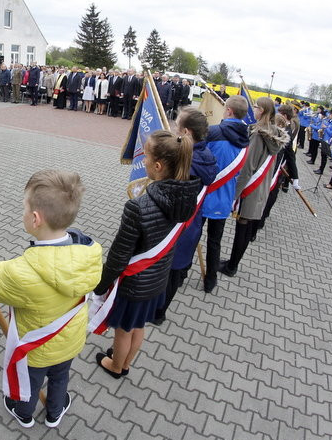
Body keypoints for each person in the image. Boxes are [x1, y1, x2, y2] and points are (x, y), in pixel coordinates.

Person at [0, 170, 102, 428]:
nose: (22, 212)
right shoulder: (88, 253)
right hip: (70, 340)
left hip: (35, 349)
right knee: (60, 375)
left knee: (31, 381)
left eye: (24, 207)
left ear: (35, 219)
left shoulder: (21, 273)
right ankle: (55, 412)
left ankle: (23, 412)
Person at [93, 130, 201, 378]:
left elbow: (118, 257)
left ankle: (116, 366)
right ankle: (128, 362)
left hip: (134, 284)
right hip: (157, 279)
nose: (143, 161)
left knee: (123, 329)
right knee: (139, 326)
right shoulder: (187, 197)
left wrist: (101, 286)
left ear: (159, 166)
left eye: (146, 157)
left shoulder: (138, 207)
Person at [154, 108, 216, 324]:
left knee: (163, 270)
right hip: (192, 225)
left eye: (177, 125)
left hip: (174, 225)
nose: (173, 129)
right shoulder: (207, 156)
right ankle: (160, 313)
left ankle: (153, 311)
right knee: (175, 272)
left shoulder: (184, 160)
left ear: (187, 132)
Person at [219, 97, 289, 276]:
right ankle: (233, 262)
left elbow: (248, 167)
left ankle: (232, 266)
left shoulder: (259, 135)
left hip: (251, 187)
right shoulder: (273, 132)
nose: (253, 109)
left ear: (263, 111)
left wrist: (234, 194)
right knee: (247, 226)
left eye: (256, 107)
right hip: (261, 187)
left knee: (242, 226)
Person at [200, 96, 250, 293]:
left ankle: (180, 275)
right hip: (225, 198)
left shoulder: (213, 131)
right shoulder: (246, 138)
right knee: (215, 242)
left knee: (192, 237)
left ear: (228, 110)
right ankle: (210, 281)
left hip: (205, 194)